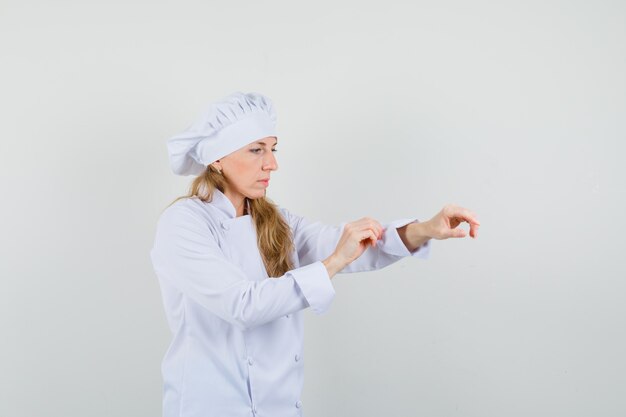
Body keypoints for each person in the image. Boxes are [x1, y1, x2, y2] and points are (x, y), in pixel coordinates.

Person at [150, 91, 480, 417]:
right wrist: (333, 262)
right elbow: (242, 305)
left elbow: (347, 245)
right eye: (256, 150)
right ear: (217, 158)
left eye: (273, 148)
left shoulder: (274, 220)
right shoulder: (183, 224)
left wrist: (426, 229)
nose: (272, 163)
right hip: (211, 407)